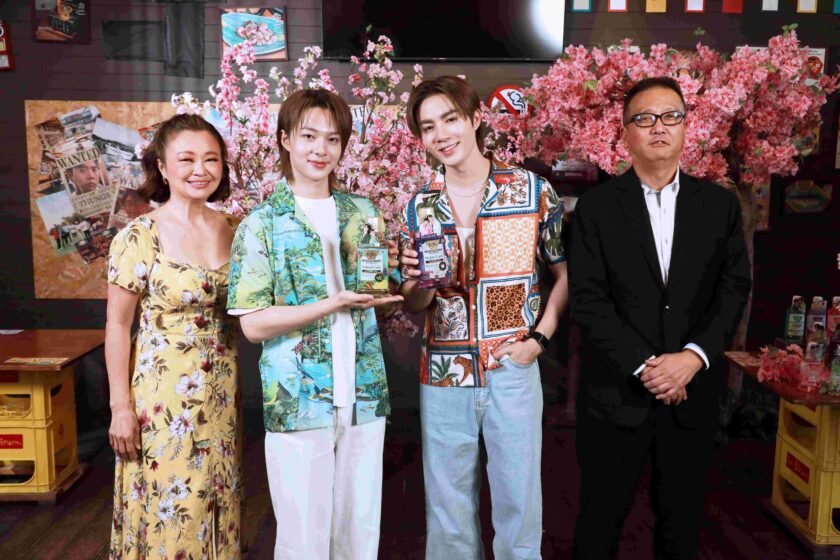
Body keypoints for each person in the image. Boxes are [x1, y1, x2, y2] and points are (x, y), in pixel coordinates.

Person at [569, 76, 752, 560]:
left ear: (686, 127)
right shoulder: (596, 208)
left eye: (671, 116)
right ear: (625, 133)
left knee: (682, 524)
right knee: (599, 521)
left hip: (693, 393)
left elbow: (733, 289)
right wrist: (649, 367)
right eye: (644, 118)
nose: (659, 127)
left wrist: (691, 358)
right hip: (615, 394)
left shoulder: (719, 205)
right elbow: (588, 300)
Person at [226, 88, 403, 560]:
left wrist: (395, 287)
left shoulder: (363, 213)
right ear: (285, 139)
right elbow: (253, 325)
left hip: (364, 392)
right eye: (308, 136)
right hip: (297, 397)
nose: (320, 149)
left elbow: (379, 298)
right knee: (303, 539)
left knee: (359, 533)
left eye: (332, 138)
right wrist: (332, 304)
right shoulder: (261, 224)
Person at [398, 76, 568, 560]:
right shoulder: (419, 206)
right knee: (447, 510)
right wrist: (418, 281)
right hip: (444, 372)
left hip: (511, 366)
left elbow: (564, 276)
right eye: (428, 127)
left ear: (475, 118)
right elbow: (414, 304)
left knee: (519, 504)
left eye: (450, 119)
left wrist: (538, 340)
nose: (441, 134)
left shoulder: (532, 191)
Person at [106, 113, 241, 559]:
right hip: (163, 403)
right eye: (187, 159)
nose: (200, 169)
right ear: (162, 167)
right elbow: (117, 326)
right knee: (172, 509)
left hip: (221, 397)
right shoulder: (139, 236)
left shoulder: (235, 229)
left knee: (214, 500)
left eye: (211, 159)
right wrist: (120, 408)